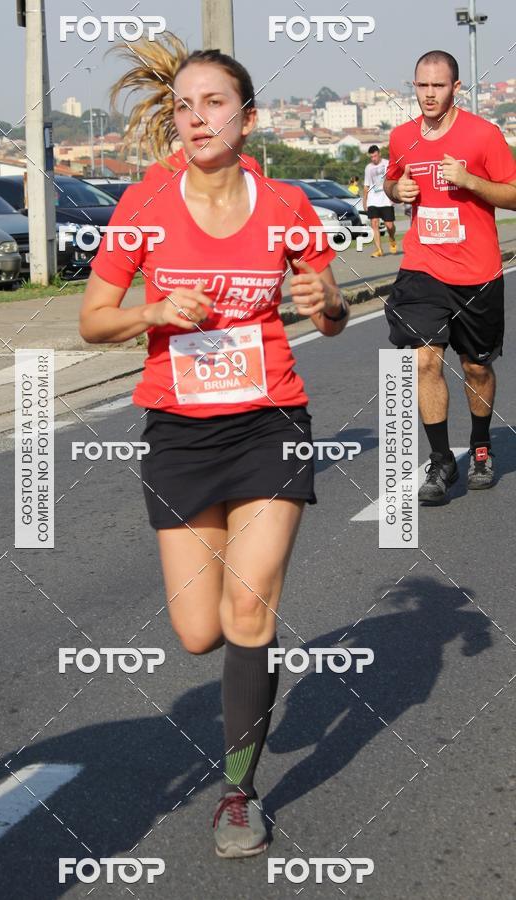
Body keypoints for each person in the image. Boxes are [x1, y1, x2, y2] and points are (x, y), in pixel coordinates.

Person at [79, 32, 349, 857]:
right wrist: (152, 315)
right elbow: (93, 321)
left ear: (247, 119)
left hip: (270, 420)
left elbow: (331, 315)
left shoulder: (287, 207)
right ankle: (244, 680)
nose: (196, 119)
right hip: (180, 432)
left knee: (248, 605)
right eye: (185, 106)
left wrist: (324, 302)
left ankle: (239, 795)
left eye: (214, 103)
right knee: (199, 631)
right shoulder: (144, 207)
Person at [384, 49, 516, 503]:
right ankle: (441, 460)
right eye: (422, 86)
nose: (429, 94)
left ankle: (480, 446)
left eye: (438, 86)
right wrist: (393, 188)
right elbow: (391, 180)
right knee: (424, 359)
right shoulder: (401, 137)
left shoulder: (484, 135)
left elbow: (515, 194)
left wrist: (473, 183)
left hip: (477, 272)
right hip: (423, 267)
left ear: (456, 88)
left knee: (476, 366)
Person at [363, 145, 398, 257]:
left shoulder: (387, 163)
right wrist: (365, 202)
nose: (374, 159)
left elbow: (393, 180)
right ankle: (379, 250)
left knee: (389, 225)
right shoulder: (368, 168)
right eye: (371, 157)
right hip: (373, 199)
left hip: (386, 198)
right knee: (374, 223)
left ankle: (392, 238)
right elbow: (366, 186)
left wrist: (395, 195)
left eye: (375, 156)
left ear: (379, 154)